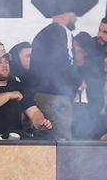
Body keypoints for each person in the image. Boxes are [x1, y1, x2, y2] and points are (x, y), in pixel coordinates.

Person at [29, 10, 79, 139]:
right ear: (66, 13)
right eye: (75, 14)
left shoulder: (40, 35)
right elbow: (69, 62)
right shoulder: (64, 32)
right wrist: (73, 87)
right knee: (62, 143)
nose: (76, 19)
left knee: (44, 141)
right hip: (57, 98)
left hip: (40, 96)